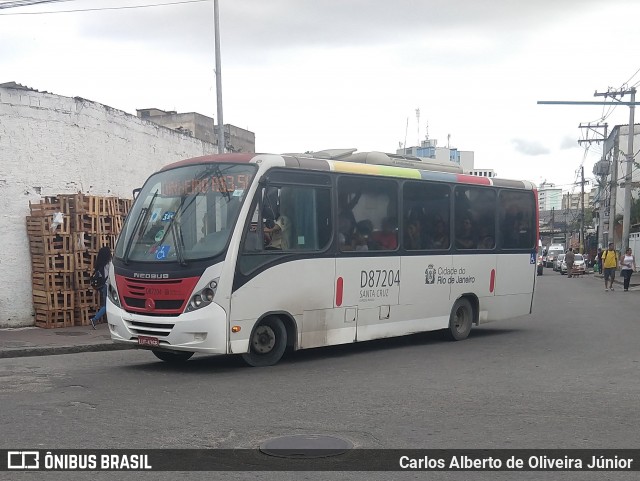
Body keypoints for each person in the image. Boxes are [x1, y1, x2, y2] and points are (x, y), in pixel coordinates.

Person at [90, 246, 112, 329]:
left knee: (106, 304)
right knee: (107, 305)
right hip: (107, 286)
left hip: (102, 286)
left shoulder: (99, 264)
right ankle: (95, 319)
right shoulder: (109, 264)